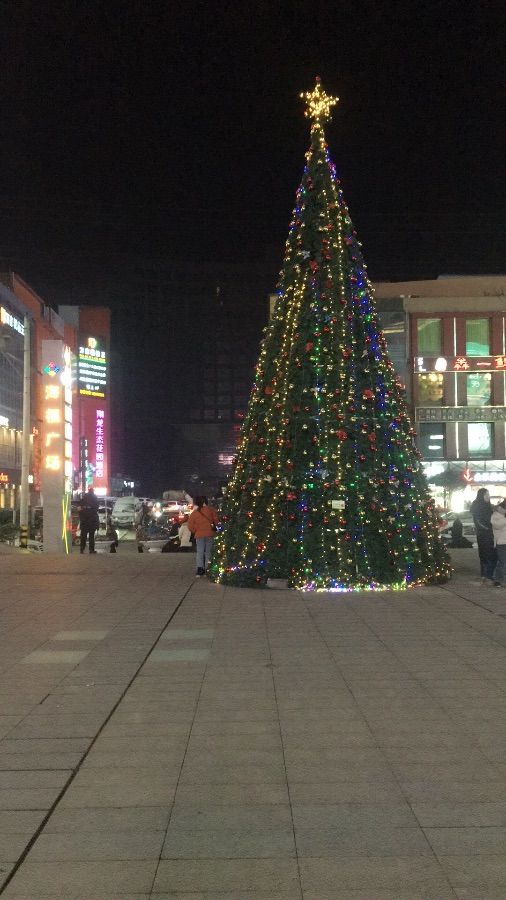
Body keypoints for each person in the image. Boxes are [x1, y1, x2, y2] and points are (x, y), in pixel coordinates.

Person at [186, 496, 219, 576]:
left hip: (199, 535)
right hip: (210, 534)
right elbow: (217, 522)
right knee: (208, 552)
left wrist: (195, 530)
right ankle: (207, 568)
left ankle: (200, 569)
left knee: (200, 552)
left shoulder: (195, 512)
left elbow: (190, 525)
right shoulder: (211, 510)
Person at [470, 488, 497, 584]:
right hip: (484, 534)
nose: (488, 496)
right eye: (486, 494)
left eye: (488, 494)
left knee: (490, 554)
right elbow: (478, 522)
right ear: (482, 495)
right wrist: (488, 529)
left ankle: (487, 574)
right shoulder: (477, 506)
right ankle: (487, 575)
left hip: (490, 533)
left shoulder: (488, 506)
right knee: (486, 554)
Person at [79, 487, 100, 554]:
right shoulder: (94, 497)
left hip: (84, 519)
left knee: (83, 535)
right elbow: (97, 507)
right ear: (93, 491)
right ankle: (91, 550)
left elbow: (80, 507)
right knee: (91, 536)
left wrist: (82, 517)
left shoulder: (84, 497)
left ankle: (82, 549)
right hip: (92, 520)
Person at [491, 500, 506, 586]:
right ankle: (497, 579)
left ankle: (500, 578)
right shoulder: (495, 516)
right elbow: (497, 526)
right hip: (501, 542)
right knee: (502, 562)